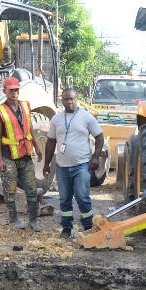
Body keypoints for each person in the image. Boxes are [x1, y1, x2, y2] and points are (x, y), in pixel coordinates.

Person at [43, 88, 104, 238]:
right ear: (62, 101)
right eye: (66, 99)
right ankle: (66, 228)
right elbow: (50, 142)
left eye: (72, 99)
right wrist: (46, 164)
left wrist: (95, 157)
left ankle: (89, 227)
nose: (70, 102)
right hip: (62, 167)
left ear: (77, 99)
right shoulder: (56, 119)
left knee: (82, 197)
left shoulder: (86, 117)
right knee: (64, 199)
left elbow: (100, 137)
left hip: (81, 166)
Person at [0, 76, 42, 231]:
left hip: (25, 154)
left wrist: (37, 147)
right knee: (10, 189)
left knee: (32, 189)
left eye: (16, 90)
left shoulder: (26, 106)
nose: (14, 93)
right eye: (11, 90)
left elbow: (30, 129)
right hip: (8, 156)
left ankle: (33, 221)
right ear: (5, 91)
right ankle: (13, 219)